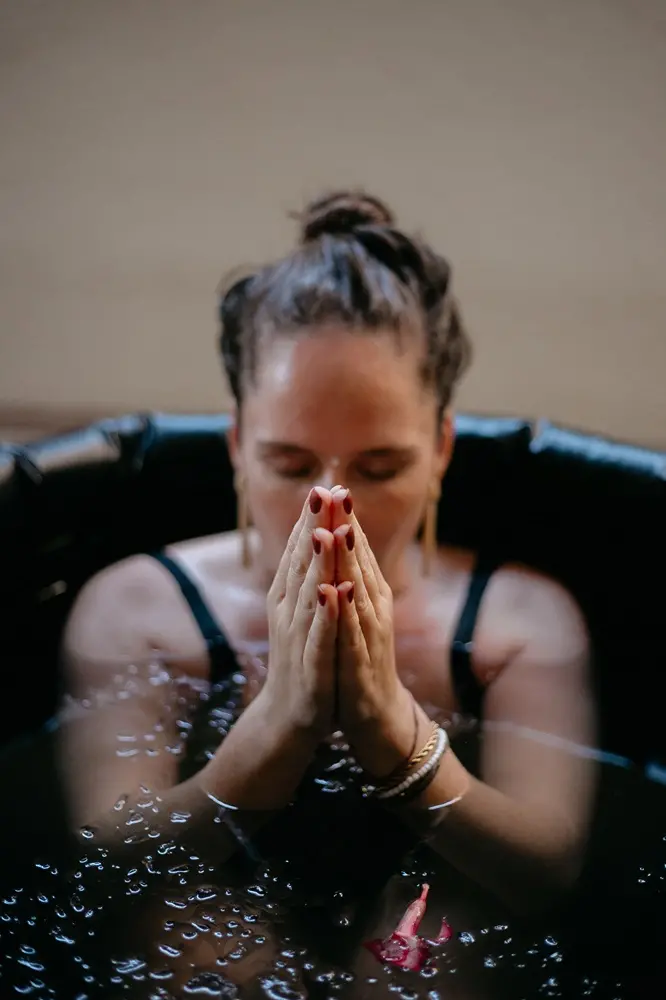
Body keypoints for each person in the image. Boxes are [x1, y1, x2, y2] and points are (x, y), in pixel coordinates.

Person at [59, 191, 596, 981]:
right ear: (239, 446)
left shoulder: (519, 622)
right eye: (290, 465)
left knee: (424, 957)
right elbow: (103, 867)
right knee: (202, 955)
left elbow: (548, 873)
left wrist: (391, 734)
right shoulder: (139, 610)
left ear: (442, 448)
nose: (331, 507)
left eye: (380, 467)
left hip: (434, 917)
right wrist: (278, 727)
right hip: (209, 923)